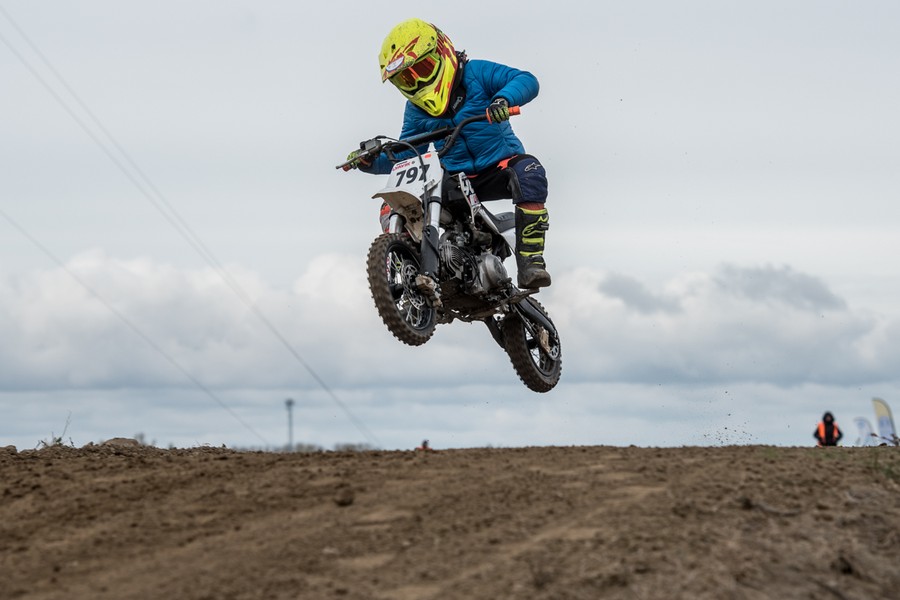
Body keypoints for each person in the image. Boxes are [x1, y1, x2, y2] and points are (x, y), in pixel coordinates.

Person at [347, 18, 551, 289]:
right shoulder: (416, 110)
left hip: (498, 167)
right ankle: (409, 263)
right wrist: (368, 162)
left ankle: (531, 261)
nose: (417, 81)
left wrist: (503, 100)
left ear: (442, 52)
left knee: (529, 170)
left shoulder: (476, 72)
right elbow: (408, 152)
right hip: (455, 179)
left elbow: (525, 79)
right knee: (396, 199)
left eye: (422, 69)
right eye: (407, 78)